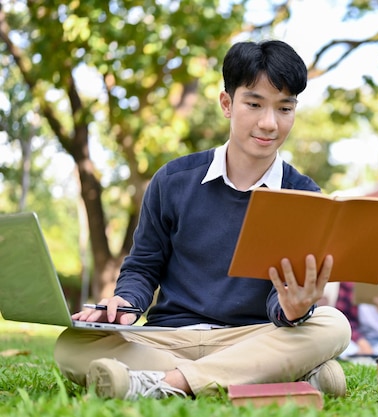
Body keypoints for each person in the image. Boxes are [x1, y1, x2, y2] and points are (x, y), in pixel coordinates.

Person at [53, 40, 351, 400]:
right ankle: (275, 380)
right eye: (254, 104)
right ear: (227, 104)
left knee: (333, 325)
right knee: (71, 344)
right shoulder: (173, 180)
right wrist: (125, 305)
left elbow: (283, 297)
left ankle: (165, 386)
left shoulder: (303, 197)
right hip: (169, 339)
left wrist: (293, 309)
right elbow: (143, 267)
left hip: (252, 337)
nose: (269, 123)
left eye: (284, 108)